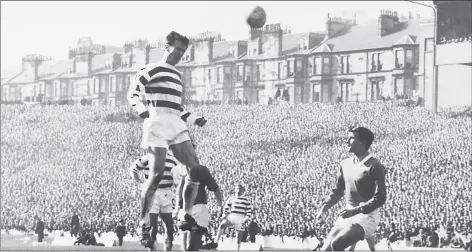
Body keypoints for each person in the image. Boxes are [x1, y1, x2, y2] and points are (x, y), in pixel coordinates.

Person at [127, 30, 210, 249]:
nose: (180, 53)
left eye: (184, 50)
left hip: (175, 123)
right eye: (178, 48)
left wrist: (193, 118)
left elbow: (177, 106)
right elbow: (133, 94)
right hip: (156, 123)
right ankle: (143, 223)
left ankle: (185, 214)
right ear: (167, 47)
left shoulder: (177, 75)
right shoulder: (150, 69)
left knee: (195, 169)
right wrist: (142, 110)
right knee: (154, 175)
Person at [316, 126, 387, 251]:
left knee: (337, 244)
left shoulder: (375, 166)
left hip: (366, 215)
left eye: (351, 138)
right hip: (348, 213)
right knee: (325, 249)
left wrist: (355, 211)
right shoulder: (345, 163)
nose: (347, 141)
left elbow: (380, 198)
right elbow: (338, 190)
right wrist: (325, 207)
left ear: (362, 142)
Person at [130, 150, 179, 251]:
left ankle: (167, 249)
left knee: (170, 228)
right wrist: (141, 182)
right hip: (153, 192)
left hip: (167, 193)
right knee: (153, 227)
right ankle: (152, 250)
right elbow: (134, 168)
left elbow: (178, 176)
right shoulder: (149, 157)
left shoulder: (173, 160)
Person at [175, 157, 223, 251]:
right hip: (193, 209)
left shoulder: (194, 170)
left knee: (190, 245)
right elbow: (215, 188)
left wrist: (220, 205)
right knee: (190, 245)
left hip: (194, 209)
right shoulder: (191, 171)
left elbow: (215, 188)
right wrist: (219, 205)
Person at [214, 184, 253, 251]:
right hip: (232, 216)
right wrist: (224, 215)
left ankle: (237, 249)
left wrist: (246, 218)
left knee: (239, 236)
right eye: (237, 189)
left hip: (241, 217)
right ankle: (215, 243)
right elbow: (226, 208)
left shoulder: (246, 200)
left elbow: (249, 211)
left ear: (243, 191)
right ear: (235, 190)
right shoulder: (231, 199)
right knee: (222, 225)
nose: (238, 190)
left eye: (240, 189)